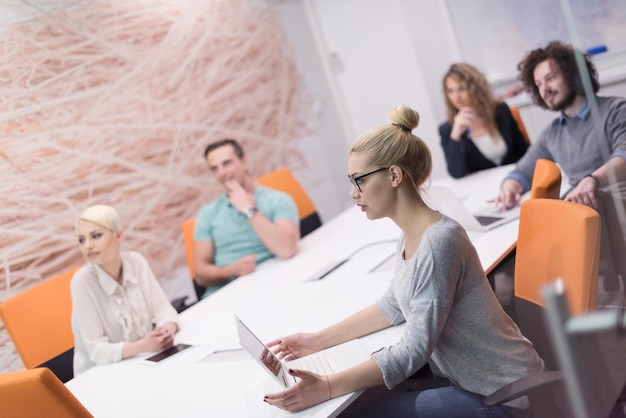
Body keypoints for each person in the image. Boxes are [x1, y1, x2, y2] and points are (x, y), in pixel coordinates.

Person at [263, 105, 545, 417]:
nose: (353, 193)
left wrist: (327, 386)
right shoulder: (414, 234)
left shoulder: (438, 243)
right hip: (476, 381)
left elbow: (413, 351)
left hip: (502, 393)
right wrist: (317, 340)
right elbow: (393, 306)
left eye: (360, 180)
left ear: (394, 175)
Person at [494, 41, 626, 210]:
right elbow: (522, 171)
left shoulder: (616, 110)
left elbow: (624, 155)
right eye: (539, 84)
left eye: (550, 78)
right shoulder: (552, 134)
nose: (544, 89)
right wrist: (509, 187)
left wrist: (593, 180)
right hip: (586, 213)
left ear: (573, 77)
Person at [70, 204, 180, 376]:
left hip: (141, 364)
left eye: (96, 236)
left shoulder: (137, 262)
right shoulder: (81, 282)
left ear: (119, 235)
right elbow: (97, 351)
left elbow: (164, 310)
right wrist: (143, 346)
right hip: (100, 376)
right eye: (81, 239)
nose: (88, 245)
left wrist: (168, 328)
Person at [193, 139, 299, 298]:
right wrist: (230, 270)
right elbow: (200, 273)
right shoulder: (208, 213)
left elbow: (287, 250)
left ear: (244, 162)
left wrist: (249, 210)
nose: (222, 172)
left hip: (273, 284)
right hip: (226, 295)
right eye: (215, 168)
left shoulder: (278, 200)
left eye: (227, 163)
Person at [439, 63, 529, 178]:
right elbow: (456, 173)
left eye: (461, 89)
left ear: (475, 88)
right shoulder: (447, 129)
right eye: (450, 91)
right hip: (483, 188)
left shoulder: (500, 111)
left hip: (515, 178)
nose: (456, 97)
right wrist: (456, 136)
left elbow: (525, 152)